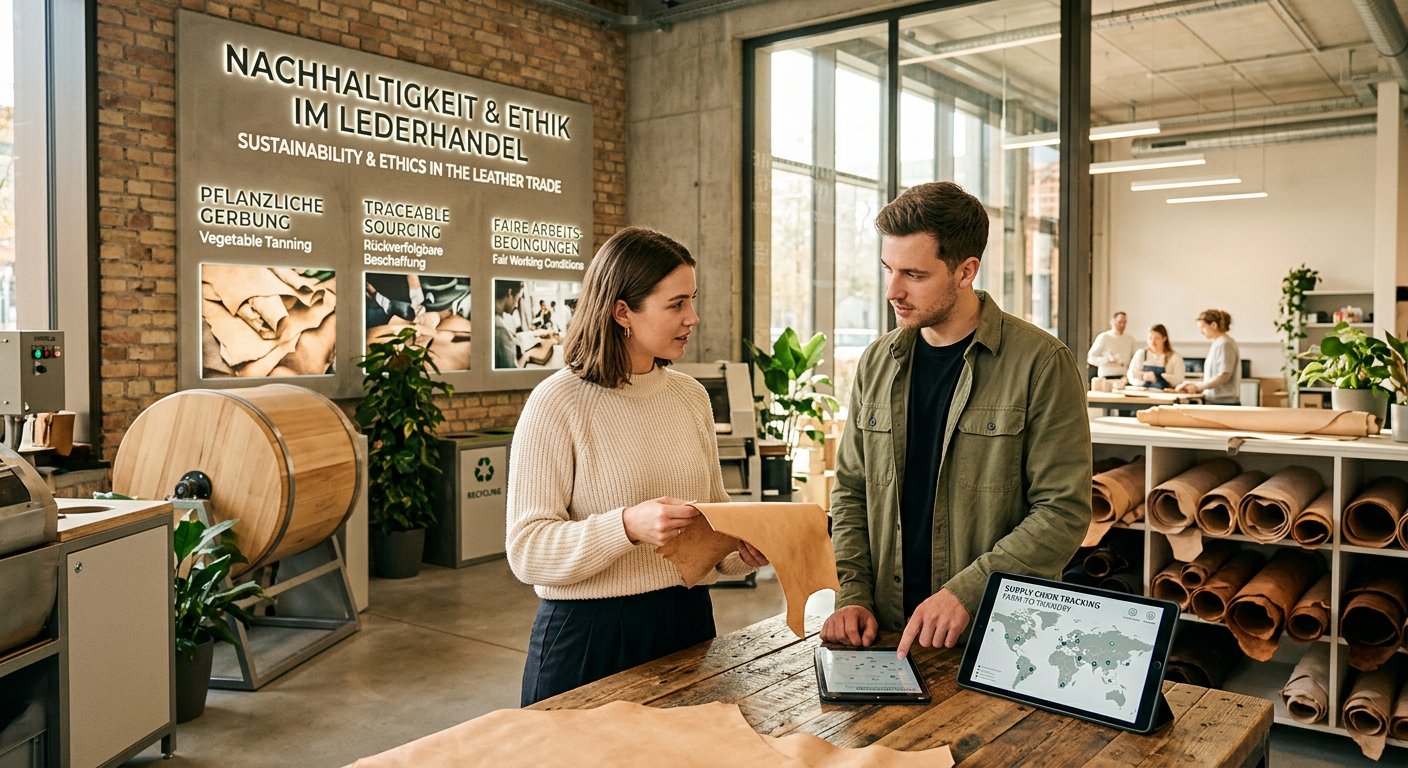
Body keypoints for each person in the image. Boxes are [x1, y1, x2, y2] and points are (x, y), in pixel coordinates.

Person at [823, 181, 1091, 659]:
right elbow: (850, 490)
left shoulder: (1042, 363)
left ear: (967, 270)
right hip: (885, 632)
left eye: (914, 274)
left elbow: (1062, 512)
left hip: (999, 637)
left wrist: (967, 593)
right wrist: (854, 594)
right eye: (889, 270)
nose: (893, 291)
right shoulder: (876, 363)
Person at [508, 226, 768, 706]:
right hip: (590, 635)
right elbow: (527, 550)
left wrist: (743, 548)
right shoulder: (557, 403)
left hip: (688, 621)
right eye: (676, 304)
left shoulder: (690, 397)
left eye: (692, 300)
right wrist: (625, 526)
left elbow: (714, 519)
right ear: (622, 311)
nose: (693, 318)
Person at [1176, 309, 1240, 404]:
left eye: (1202, 327)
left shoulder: (1225, 344)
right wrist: (1195, 384)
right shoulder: (1218, 343)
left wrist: (1198, 387)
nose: (1201, 331)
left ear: (1214, 325)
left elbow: (1224, 374)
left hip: (1223, 403)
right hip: (1215, 401)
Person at [1127, 324, 1185, 390]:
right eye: (1150, 338)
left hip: (1166, 395)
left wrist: (1160, 376)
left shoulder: (1175, 357)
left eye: (1156, 338)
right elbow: (1131, 375)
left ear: (1164, 338)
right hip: (1143, 393)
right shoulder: (1141, 354)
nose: (1153, 341)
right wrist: (1143, 376)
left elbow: (1179, 379)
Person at [1087, 311, 1135, 380]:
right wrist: (1107, 360)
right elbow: (1091, 358)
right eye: (1119, 322)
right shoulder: (1103, 337)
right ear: (1112, 322)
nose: (1122, 325)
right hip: (1106, 376)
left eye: (1124, 322)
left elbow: (1133, 361)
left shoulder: (1130, 339)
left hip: (1123, 377)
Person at [494, 280, 523, 369]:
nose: (517, 305)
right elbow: (512, 370)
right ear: (509, 293)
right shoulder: (499, 328)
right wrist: (526, 357)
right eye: (517, 299)